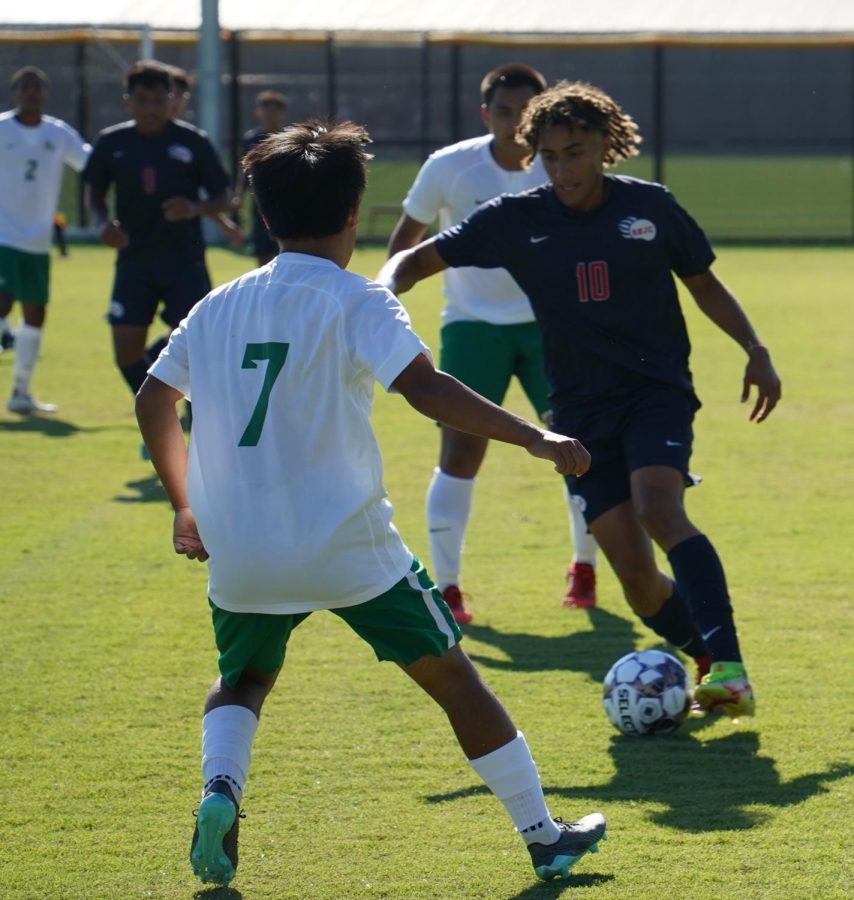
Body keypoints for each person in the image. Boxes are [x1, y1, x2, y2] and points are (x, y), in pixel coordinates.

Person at [135, 120, 606, 888]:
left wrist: (185, 506)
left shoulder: (218, 304)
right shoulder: (357, 300)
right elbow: (424, 389)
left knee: (243, 680)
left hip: (242, 545)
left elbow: (153, 401)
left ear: (264, 214)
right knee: (456, 679)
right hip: (347, 547)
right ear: (354, 213)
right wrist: (534, 437)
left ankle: (221, 788)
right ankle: (542, 835)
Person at [378, 81, 783, 717]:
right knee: (640, 583)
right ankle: (708, 663)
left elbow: (703, 283)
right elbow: (414, 260)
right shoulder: (516, 219)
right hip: (580, 410)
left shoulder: (650, 208)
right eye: (549, 154)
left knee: (659, 507)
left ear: (604, 146)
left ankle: (729, 664)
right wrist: (382, 292)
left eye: (576, 151)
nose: (563, 167)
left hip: (655, 392)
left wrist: (754, 348)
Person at [387, 63, 600, 623]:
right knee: (460, 453)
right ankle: (450, 589)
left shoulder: (564, 168)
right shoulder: (450, 167)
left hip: (550, 327)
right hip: (471, 325)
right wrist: (385, 295)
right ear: (486, 114)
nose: (514, 123)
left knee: (578, 445)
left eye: (524, 112)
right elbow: (405, 243)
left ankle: (585, 568)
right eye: (503, 112)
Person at [83, 60, 231, 419]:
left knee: (199, 344)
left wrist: (193, 208)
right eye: (142, 99)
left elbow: (225, 196)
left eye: (158, 99)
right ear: (127, 102)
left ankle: (197, 419)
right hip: (135, 260)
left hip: (184, 261)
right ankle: (159, 409)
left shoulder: (193, 142)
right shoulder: (111, 143)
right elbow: (95, 192)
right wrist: (104, 223)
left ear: (171, 99)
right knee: (127, 351)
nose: (151, 108)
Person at [0, 65, 91, 413]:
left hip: (38, 240)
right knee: (4, 300)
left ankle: (20, 392)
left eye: (37, 87)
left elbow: (89, 162)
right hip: (2, 234)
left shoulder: (59, 133)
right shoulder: (2, 128)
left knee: (35, 313)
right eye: (24, 87)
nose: (31, 93)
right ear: (15, 92)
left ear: (46, 93)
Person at [167, 65, 244, 248]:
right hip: (138, 248)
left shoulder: (193, 140)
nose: (175, 101)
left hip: (184, 247)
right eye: (171, 93)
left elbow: (200, 198)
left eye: (181, 95)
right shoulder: (127, 139)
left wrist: (223, 224)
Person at [236, 90, 288, 266]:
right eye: (267, 111)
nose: (270, 116)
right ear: (259, 113)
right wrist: (239, 196)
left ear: (282, 113)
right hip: (261, 203)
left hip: (287, 203)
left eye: (275, 111)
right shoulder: (252, 140)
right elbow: (244, 171)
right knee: (264, 251)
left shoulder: (290, 139)